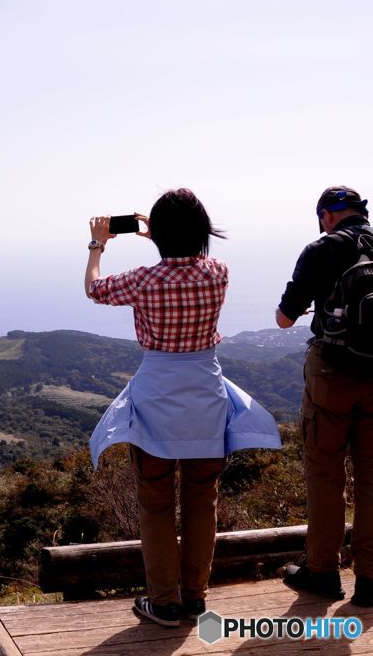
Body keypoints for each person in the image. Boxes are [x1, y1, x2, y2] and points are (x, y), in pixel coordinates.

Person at [85, 188, 281, 627]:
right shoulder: (218, 273)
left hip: (156, 395)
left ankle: (164, 602)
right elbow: (187, 253)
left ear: (158, 233)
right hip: (206, 396)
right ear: (201, 229)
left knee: (155, 505)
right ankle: (195, 597)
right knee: (201, 501)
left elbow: (94, 289)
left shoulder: (143, 280)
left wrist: (99, 244)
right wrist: (160, 233)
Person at [276, 185, 373, 605]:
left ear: (327, 215)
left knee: (326, 473)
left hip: (331, 374)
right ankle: (369, 580)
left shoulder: (322, 249)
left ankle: (323, 572)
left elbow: (283, 319)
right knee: (372, 476)